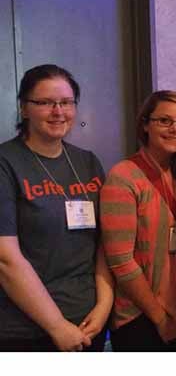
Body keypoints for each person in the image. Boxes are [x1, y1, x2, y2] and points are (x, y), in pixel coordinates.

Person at [0, 64, 113, 351]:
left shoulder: (87, 162)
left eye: (66, 102)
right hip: (25, 330)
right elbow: (6, 259)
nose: (58, 111)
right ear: (24, 108)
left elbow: (104, 243)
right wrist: (56, 325)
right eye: (45, 103)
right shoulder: (6, 163)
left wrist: (103, 306)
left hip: (88, 324)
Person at [100, 90, 176, 351]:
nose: (174, 129)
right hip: (141, 318)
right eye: (164, 121)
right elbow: (120, 261)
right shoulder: (123, 177)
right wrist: (159, 318)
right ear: (145, 124)